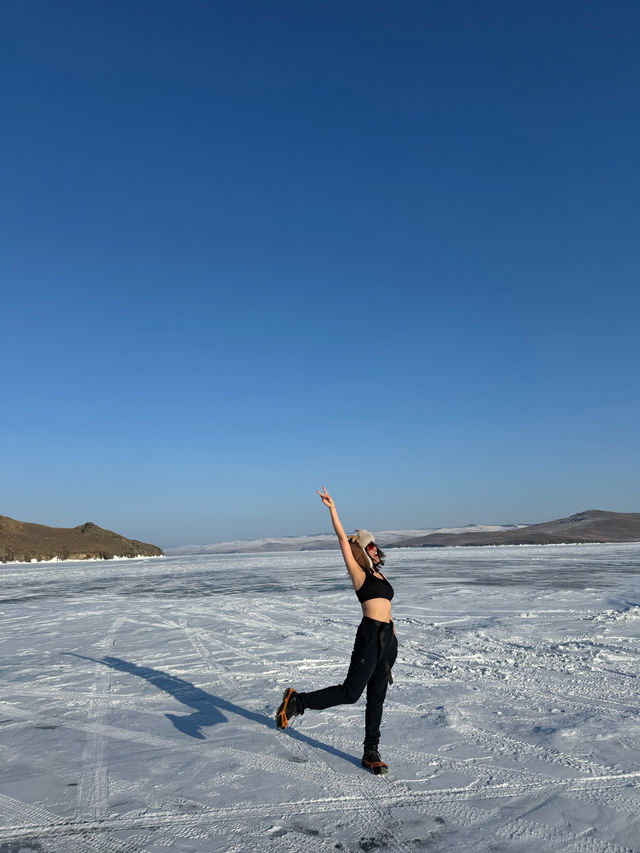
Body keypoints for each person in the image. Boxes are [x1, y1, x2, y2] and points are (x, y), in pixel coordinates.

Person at [275, 487, 397, 775]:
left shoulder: (380, 574)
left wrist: (393, 636)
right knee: (351, 692)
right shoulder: (359, 574)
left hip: (388, 639)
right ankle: (297, 701)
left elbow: (387, 608)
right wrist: (333, 509)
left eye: (374, 546)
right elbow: (343, 539)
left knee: (377, 697)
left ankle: (371, 752)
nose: (374, 549)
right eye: (369, 547)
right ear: (361, 551)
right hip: (369, 635)